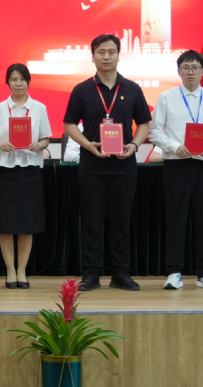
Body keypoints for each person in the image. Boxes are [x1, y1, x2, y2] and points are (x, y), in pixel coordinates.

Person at [63, 34, 151, 292]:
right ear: (93, 56)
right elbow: (69, 124)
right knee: (92, 223)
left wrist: (134, 145)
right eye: (101, 52)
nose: (106, 57)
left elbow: (144, 123)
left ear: (119, 55)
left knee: (121, 223)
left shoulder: (132, 89)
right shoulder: (82, 90)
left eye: (111, 52)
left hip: (124, 167)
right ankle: (91, 274)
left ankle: (120, 273)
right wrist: (87, 144)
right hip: (92, 167)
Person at [148, 50, 203, 291]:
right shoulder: (166, 97)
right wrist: (174, 146)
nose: (190, 72)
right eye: (186, 67)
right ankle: (174, 272)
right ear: (179, 71)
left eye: (195, 67)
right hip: (176, 164)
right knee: (176, 219)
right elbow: (155, 131)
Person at [0, 63, 52, 289]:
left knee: (27, 224)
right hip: (5, 171)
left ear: (28, 82)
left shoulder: (39, 108)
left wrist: (39, 145)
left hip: (29, 170)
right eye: (14, 79)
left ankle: (22, 270)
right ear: (7, 83)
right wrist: (0, 145)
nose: (18, 83)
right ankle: (10, 271)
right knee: (5, 224)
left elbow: (45, 139)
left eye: (22, 79)